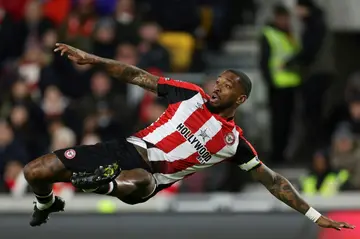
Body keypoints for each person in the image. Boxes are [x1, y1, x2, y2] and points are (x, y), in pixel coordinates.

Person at [22, 43, 355, 232]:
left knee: (139, 180)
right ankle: (50, 202)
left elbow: (274, 181)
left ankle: (103, 183)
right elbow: (138, 76)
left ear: (240, 99)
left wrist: (315, 216)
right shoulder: (189, 94)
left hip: (149, 179)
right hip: (124, 149)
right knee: (34, 172)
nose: (217, 86)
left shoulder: (233, 143)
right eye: (218, 81)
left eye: (227, 86)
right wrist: (93, 59)